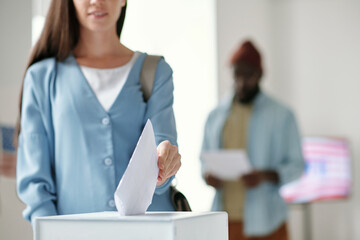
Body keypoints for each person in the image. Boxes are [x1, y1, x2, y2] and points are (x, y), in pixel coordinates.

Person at [16, 0, 181, 225]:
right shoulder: (42, 78)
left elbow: (162, 145)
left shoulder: (155, 71)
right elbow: (35, 184)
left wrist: (165, 164)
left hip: (150, 231)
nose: (96, 1)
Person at [201, 40, 304, 240]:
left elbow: (297, 166)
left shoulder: (282, 115)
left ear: (259, 75)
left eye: (248, 75)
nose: (241, 82)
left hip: (268, 223)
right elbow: (204, 160)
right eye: (236, 74)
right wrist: (209, 176)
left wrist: (264, 176)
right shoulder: (215, 116)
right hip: (225, 222)